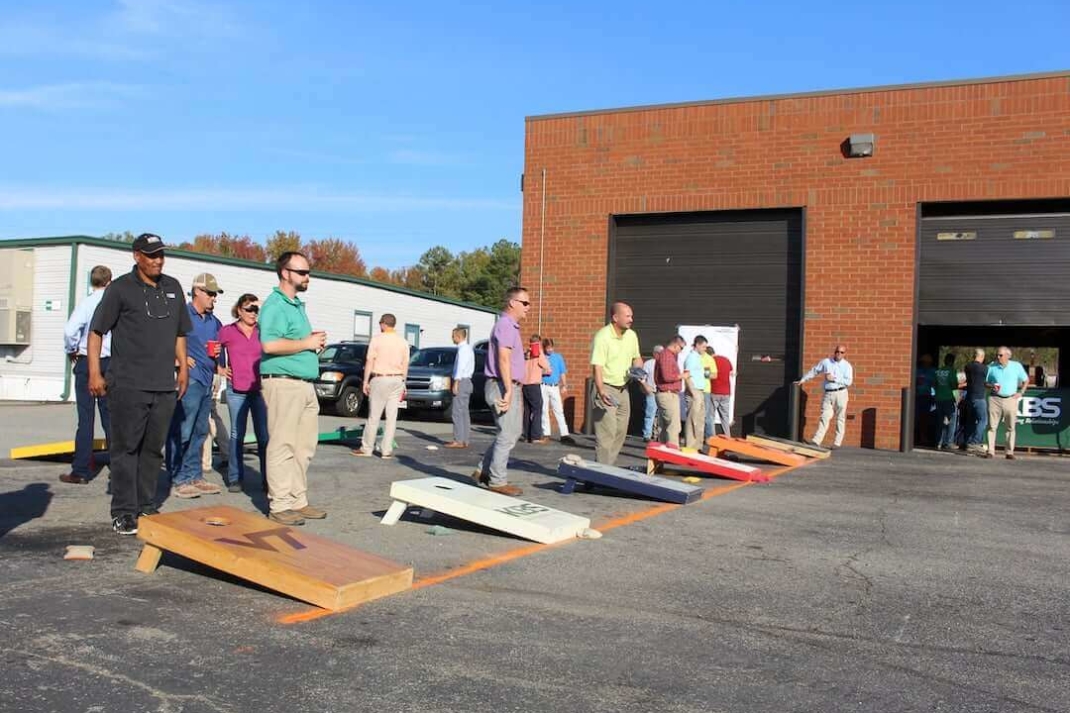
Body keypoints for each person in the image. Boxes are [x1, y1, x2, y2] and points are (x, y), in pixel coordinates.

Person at [88, 233, 192, 535]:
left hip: (163, 384)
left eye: (160, 254)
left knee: (152, 450)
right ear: (137, 256)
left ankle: (146, 505)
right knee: (125, 450)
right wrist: (95, 373)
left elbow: (180, 332)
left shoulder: (173, 287)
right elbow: (96, 332)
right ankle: (123, 511)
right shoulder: (120, 289)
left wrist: (182, 367)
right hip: (127, 384)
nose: (157, 260)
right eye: (151, 255)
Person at [259, 251, 328, 525]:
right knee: (283, 444)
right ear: (285, 273)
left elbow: (291, 343)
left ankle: (297, 500)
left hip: (303, 385)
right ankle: (280, 504)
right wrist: (307, 344)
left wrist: (311, 345)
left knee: (304, 446)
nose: (307, 277)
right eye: (302, 272)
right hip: (283, 384)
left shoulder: (296, 305)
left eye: (308, 272)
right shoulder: (275, 305)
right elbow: (269, 345)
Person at [166, 273, 225, 499]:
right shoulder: (182, 316)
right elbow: (164, 339)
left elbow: (219, 347)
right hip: (188, 381)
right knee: (182, 429)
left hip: (206, 381)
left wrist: (220, 363)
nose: (213, 298)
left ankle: (194, 475)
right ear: (197, 292)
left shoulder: (214, 322)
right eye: (210, 293)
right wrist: (177, 359)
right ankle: (178, 478)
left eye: (215, 294)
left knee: (200, 431)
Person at [472, 286, 530, 496]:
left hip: (507, 384)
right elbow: (503, 359)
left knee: (512, 433)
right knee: (507, 434)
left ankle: (483, 471)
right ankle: (497, 481)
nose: (528, 308)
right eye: (525, 303)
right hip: (501, 385)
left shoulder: (510, 326)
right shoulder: (505, 325)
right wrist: (507, 390)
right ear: (512, 303)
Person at [61, 265, 113, 485]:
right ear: (109, 281)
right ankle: (119, 466)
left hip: (85, 360)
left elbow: (70, 330)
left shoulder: (87, 303)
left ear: (92, 281)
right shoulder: (114, 305)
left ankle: (81, 469)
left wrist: (71, 348)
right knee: (111, 417)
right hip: (109, 362)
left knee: (86, 417)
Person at [217, 293, 268, 492]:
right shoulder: (227, 331)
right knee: (236, 434)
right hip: (236, 390)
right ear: (239, 310)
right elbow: (214, 349)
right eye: (249, 309)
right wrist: (219, 368)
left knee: (263, 436)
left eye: (256, 310)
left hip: (259, 391)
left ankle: (267, 479)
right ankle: (235, 478)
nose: (253, 314)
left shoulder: (263, 332)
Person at [590, 302, 643, 465]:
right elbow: (597, 367)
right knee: (607, 432)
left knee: (620, 432)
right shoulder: (602, 336)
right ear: (615, 317)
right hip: (605, 387)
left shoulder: (631, 335)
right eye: (627, 316)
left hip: (623, 389)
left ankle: (606, 467)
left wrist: (638, 369)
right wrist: (600, 391)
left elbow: (637, 358)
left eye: (631, 316)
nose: (631, 319)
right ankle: (601, 472)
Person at [353, 314, 409, 459]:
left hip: (380, 378)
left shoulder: (377, 340)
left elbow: (369, 360)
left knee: (374, 416)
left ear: (384, 324)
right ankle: (386, 450)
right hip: (397, 379)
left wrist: (365, 381)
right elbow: (405, 364)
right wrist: (403, 382)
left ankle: (367, 448)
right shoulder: (403, 342)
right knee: (391, 417)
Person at [794, 344, 853, 449]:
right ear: (834, 352)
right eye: (837, 351)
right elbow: (815, 371)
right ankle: (816, 441)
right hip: (828, 393)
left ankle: (837, 442)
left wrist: (834, 379)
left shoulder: (847, 366)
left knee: (840, 418)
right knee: (824, 417)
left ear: (845, 354)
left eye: (842, 352)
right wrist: (803, 380)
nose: (839, 354)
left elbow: (849, 382)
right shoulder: (826, 362)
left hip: (841, 393)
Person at [985, 346, 1029, 460]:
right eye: (997, 355)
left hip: (1011, 399)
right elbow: (985, 382)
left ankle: (1009, 452)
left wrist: (1021, 392)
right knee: (992, 426)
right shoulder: (991, 367)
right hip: (995, 399)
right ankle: (990, 451)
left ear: (1008, 356)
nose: (998, 357)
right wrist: (991, 385)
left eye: (1000, 355)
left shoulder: (1016, 366)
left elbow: (1026, 380)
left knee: (1010, 427)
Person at [541, 337, 575, 445]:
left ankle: (564, 434)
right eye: (548, 348)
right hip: (543, 385)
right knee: (544, 410)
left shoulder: (558, 357)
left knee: (558, 410)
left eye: (551, 347)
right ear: (544, 348)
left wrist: (564, 385)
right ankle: (546, 433)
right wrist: (543, 372)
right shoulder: (541, 358)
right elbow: (537, 372)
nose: (550, 350)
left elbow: (562, 372)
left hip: (554, 386)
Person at [654, 336, 686, 446]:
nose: (681, 351)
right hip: (667, 394)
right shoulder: (667, 356)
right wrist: (682, 376)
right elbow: (667, 377)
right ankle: (673, 449)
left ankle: (663, 449)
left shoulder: (669, 356)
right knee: (674, 425)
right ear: (675, 345)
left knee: (665, 425)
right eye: (681, 348)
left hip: (667, 394)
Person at [445, 327, 474, 449]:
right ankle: (465, 439)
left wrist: (456, 382)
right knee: (464, 412)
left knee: (457, 412)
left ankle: (458, 440)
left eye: (453, 336)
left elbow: (460, 367)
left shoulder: (462, 350)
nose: (452, 338)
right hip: (468, 381)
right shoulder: (469, 349)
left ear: (458, 336)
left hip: (462, 381)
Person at [522, 334, 550, 444]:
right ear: (538, 343)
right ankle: (536, 436)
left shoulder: (526, 354)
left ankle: (526, 436)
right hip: (534, 385)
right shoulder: (539, 353)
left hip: (525, 385)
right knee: (537, 410)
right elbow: (547, 368)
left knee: (527, 410)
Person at [682, 335, 708, 450]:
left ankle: (698, 445)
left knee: (700, 419)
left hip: (700, 390)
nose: (705, 349)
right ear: (697, 345)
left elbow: (707, 374)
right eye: (703, 347)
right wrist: (693, 392)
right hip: (694, 390)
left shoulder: (699, 358)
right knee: (692, 419)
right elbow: (687, 375)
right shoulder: (691, 358)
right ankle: (691, 445)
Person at [201, 374, 229, 475]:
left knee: (208, 418)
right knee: (212, 416)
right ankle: (226, 453)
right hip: (213, 374)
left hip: (205, 374)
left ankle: (206, 461)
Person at [933, 353, 960, 450]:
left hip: (938, 398)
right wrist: (958, 399)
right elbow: (954, 386)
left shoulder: (938, 371)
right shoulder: (952, 371)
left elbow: (934, 384)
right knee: (952, 420)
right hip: (948, 399)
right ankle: (949, 442)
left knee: (939, 421)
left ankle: (938, 442)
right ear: (952, 362)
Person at [963, 348, 988, 453]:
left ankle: (967, 442)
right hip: (979, 397)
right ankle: (975, 442)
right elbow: (984, 381)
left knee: (970, 420)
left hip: (969, 397)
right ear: (981, 357)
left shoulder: (967, 367)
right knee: (983, 420)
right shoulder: (984, 368)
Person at [708, 346, 735, 437]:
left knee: (711, 416)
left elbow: (706, 376)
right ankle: (727, 436)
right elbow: (732, 373)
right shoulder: (726, 359)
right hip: (726, 392)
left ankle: (712, 437)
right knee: (725, 416)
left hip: (714, 391)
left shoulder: (709, 361)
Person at [641, 345, 663, 441]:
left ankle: (658, 434)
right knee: (650, 413)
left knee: (661, 415)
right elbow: (642, 377)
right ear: (655, 353)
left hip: (662, 392)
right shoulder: (648, 364)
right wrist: (645, 387)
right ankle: (647, 435)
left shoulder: (664, 363)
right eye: (659, 353)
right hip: (652, 391)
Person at [915, 354, 937, 447]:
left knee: (925, 418)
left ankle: (923, 437)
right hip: (921, 396)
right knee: (921, 418)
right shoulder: (918, 371)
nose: (925, 364)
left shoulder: (930, 371)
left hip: (927, 396)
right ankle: (922, 437)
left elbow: (935, 383)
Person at [700, 344, 719, 442]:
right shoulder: (696, 357)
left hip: (704, 390)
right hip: (699, 389)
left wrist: (703, 373)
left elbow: (713, 375)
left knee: (706, 414)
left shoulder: (707, 359)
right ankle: (705, 436)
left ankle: (709, 437)